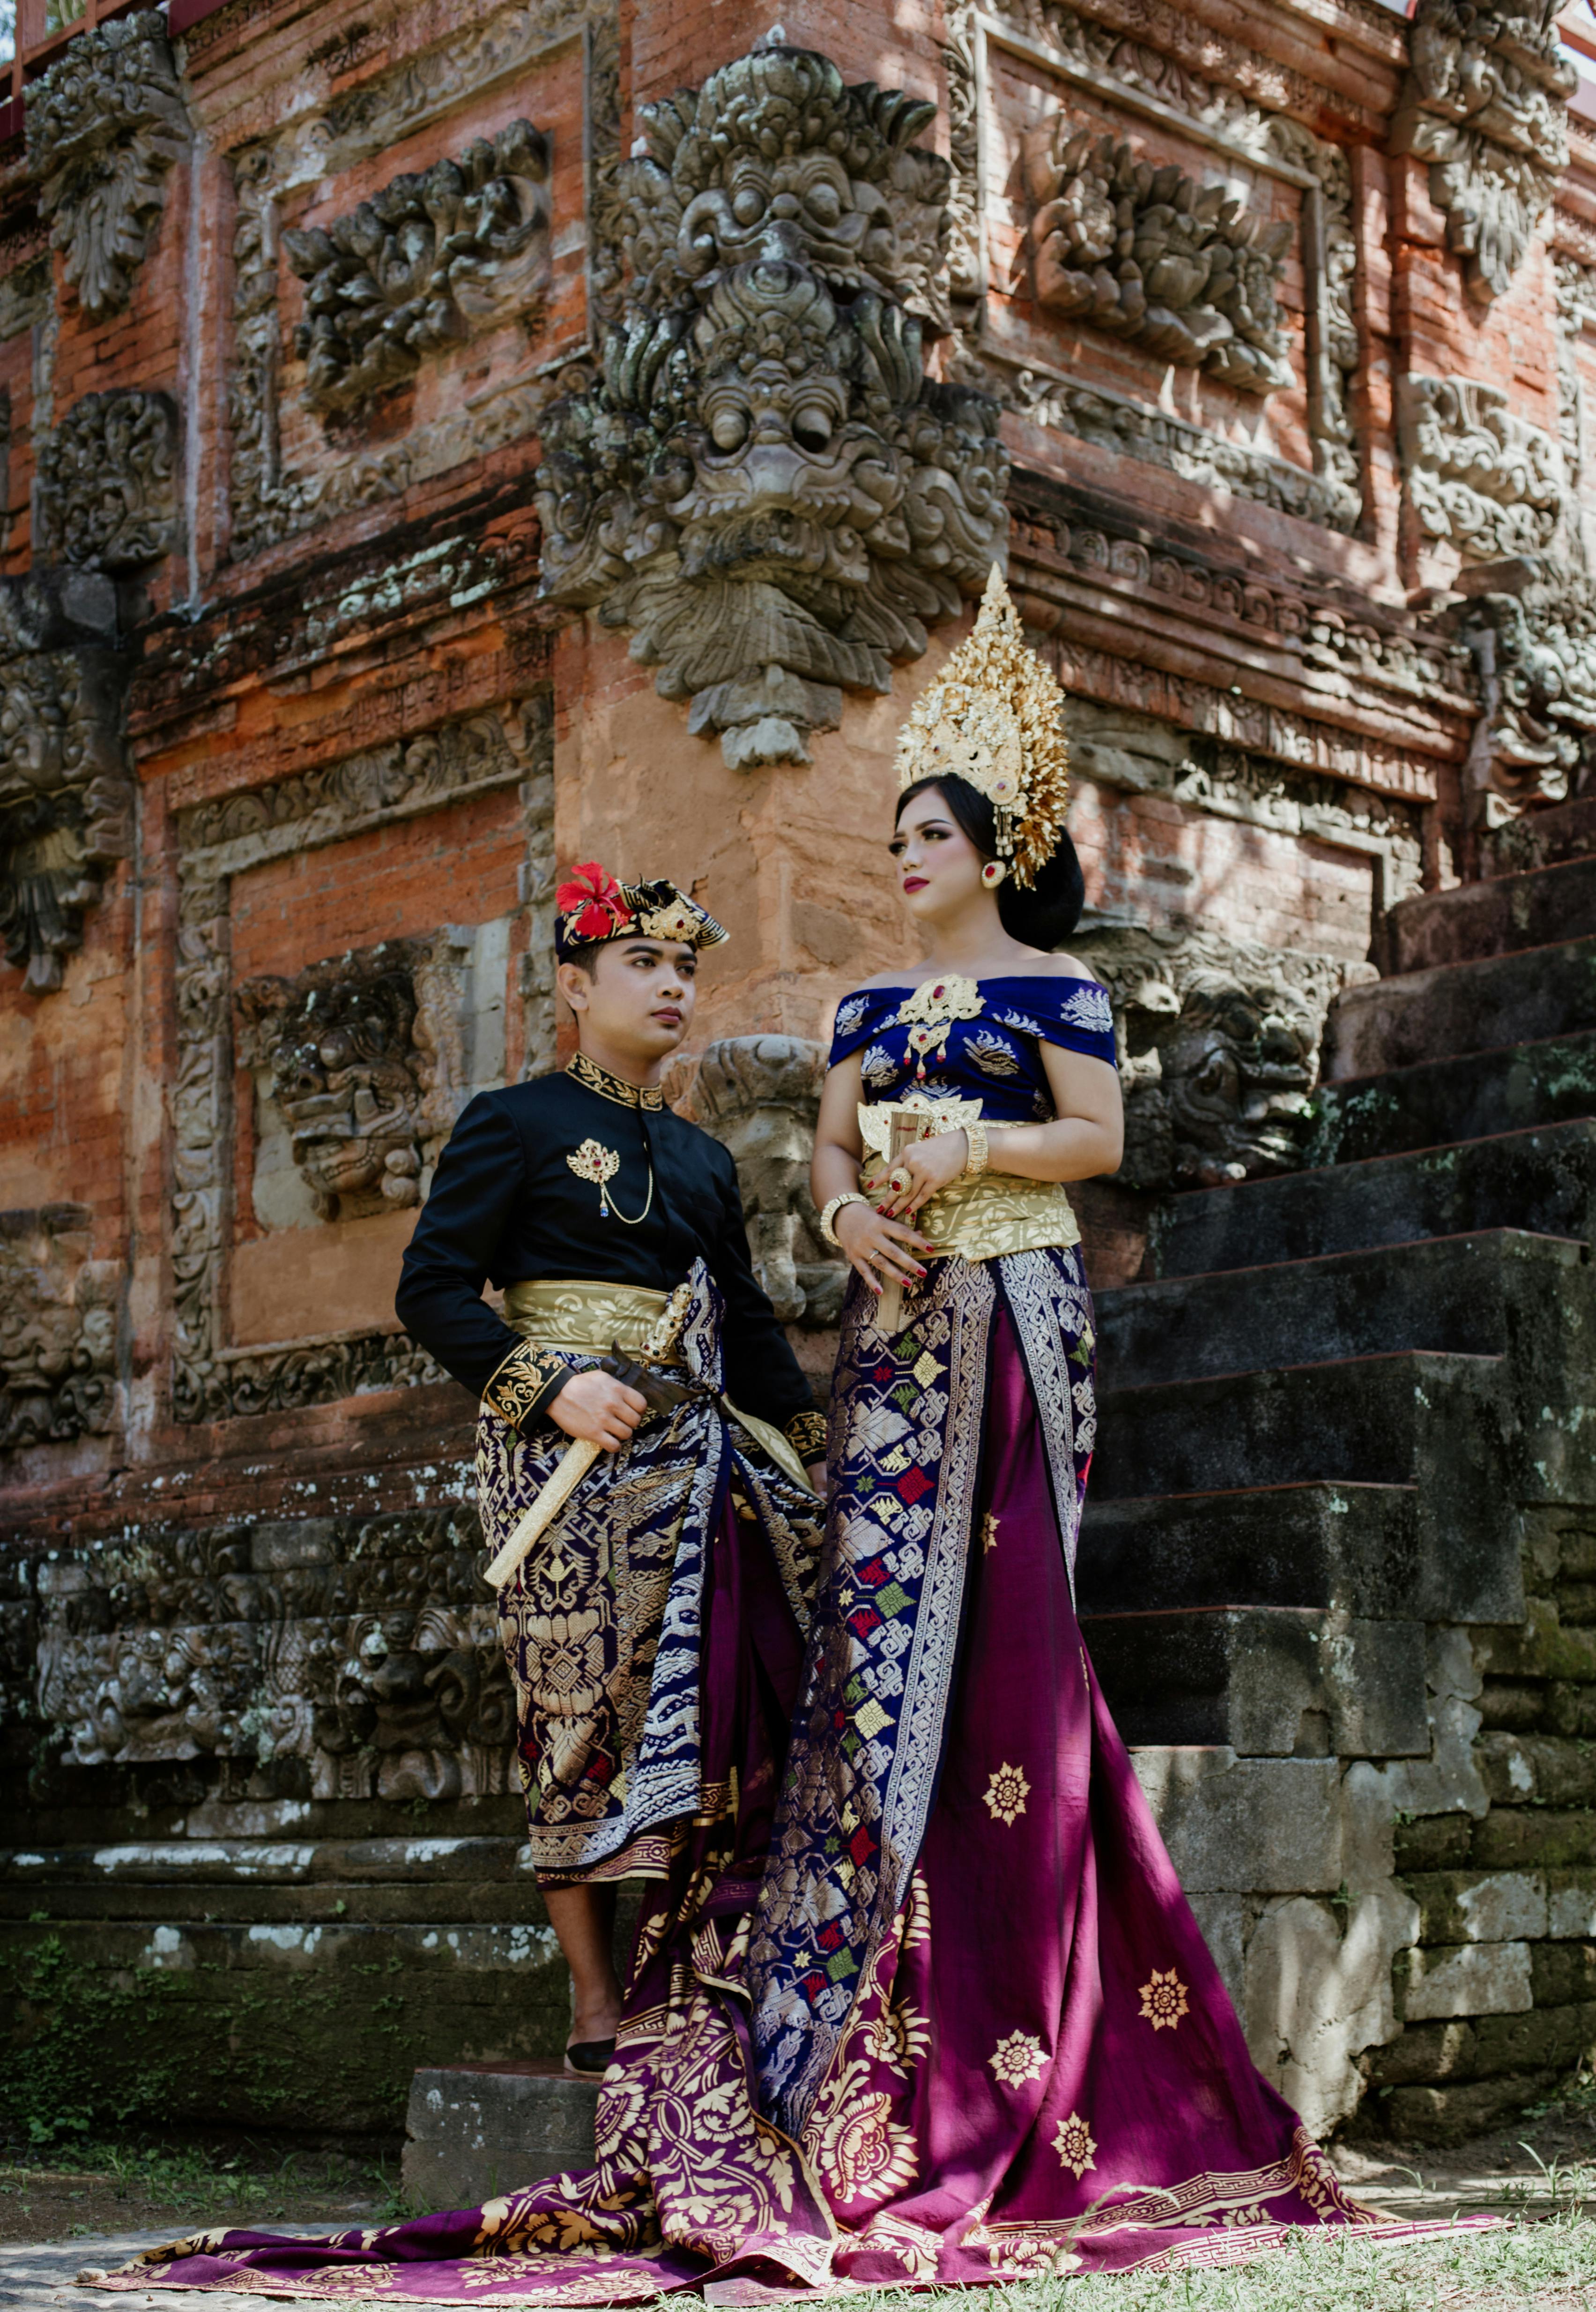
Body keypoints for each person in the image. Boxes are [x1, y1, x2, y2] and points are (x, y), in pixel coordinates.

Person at [102, 597, 1461, 2302]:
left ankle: (994, 1980)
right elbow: (781, 1189)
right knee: (665, 1696)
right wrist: (830, 1221)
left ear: (999, 845)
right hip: (837, 1351)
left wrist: (936, 1196)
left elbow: (1067, 1157)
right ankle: (645, 1989)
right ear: (583, 980)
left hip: (1006, 1321)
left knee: (986, 1650)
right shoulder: (794, 1034)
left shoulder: (1046, 995)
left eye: (929, 831)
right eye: (891, 831)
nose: (902, 854)